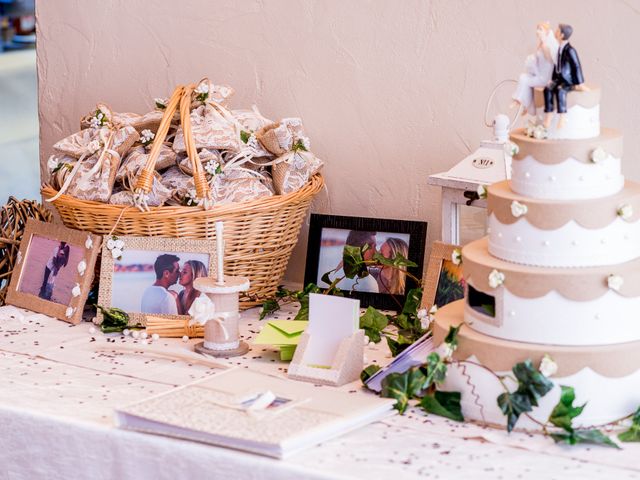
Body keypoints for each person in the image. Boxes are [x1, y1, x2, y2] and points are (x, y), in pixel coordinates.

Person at [543, 23, 587, 129]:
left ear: (562, 35)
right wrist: (552, 79)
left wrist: (579, 83)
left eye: (557, 31)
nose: (555, 32)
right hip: (558, 78)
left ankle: (562, 117)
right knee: (547, 89)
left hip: (568, 81)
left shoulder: (570, 50)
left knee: (560, 90)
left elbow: (576, 66)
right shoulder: (559, 48)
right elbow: (556, 65)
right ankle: (549, 114)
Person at [511, 22, 558, 116]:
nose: (538, 31)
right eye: (537, 28)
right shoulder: (540, 44)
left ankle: (521, 102)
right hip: (539, 73)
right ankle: (526, 104)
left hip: (544, 77)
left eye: (540, 29)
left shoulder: (545, 46)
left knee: (524, 79)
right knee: (523, 77)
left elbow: (550, 62)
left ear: (546, 32)